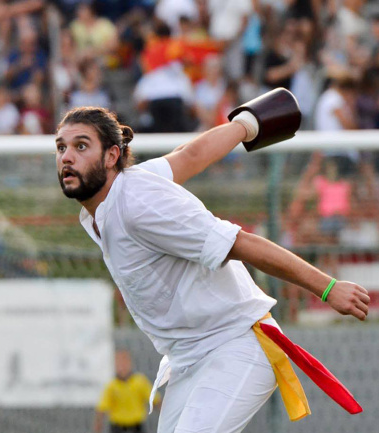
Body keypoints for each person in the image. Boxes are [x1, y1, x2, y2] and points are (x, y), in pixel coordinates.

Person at [54, 106, 370, 432]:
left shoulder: (138, 204)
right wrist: (247, 124)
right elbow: (190, 156)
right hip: (188, 362)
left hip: (237, 345)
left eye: (81, 146)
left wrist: (328, 287)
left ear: (111, 156)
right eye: (61, 147)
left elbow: (243, 243)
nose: (66, 156)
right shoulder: (110, 203)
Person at [94, 350, 161, 433]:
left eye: (125, 362)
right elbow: (101, 409)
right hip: (117, 426)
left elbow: (156, 401)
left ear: (130, 363)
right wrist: (98, 427)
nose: (122, 366)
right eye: (119, 363)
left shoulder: (140, 382)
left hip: (136, 426)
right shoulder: (111, 386)